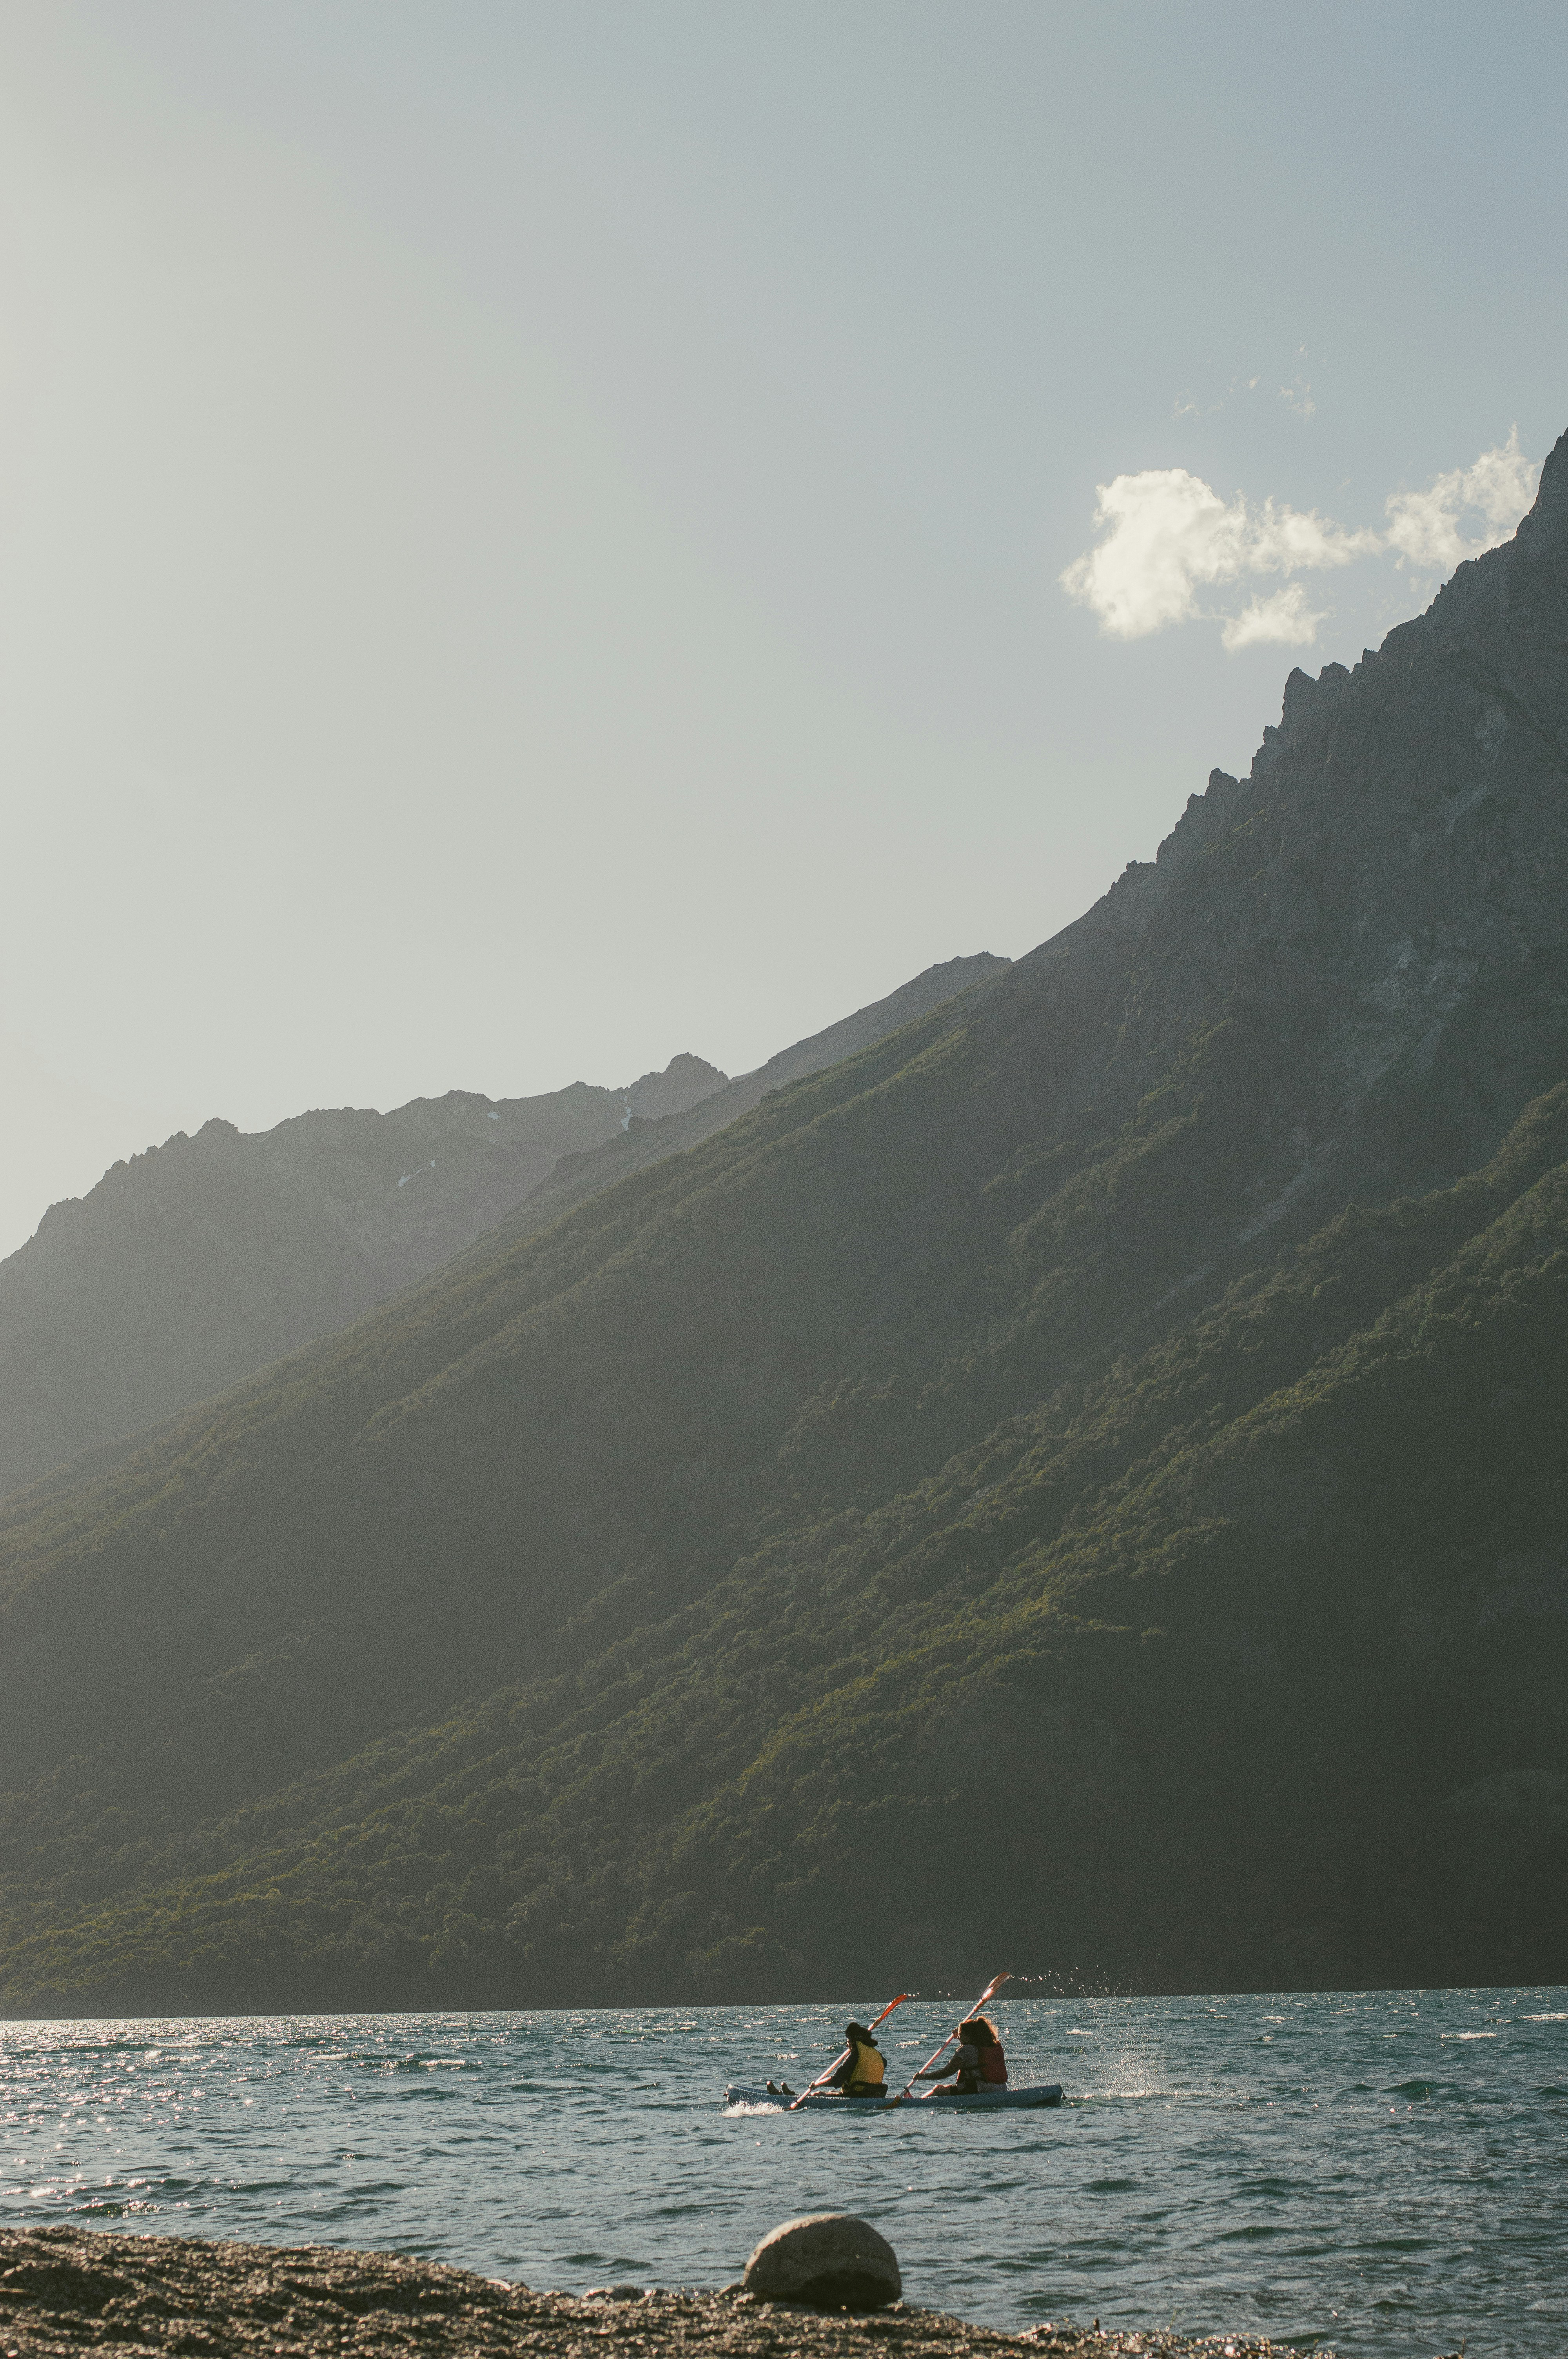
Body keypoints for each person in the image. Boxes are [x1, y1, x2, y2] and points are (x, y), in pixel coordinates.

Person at [916, 2014, 1007, 2095]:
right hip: (1001, 2089)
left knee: (937, 2090)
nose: (958, 2037)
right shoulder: (988, 2045)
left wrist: (923, 2077)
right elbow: (971, 2047)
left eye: (961, 2035)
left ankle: (917, 2104)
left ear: (970, 2036)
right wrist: (961, 2033)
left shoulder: (966, 2050)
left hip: (980, 2090)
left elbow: (947, 2072)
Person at [827, 2019, 887, 2098]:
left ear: (852, 2043)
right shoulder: (879, 2056)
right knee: (831, 2092)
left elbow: (837, 2081)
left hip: (857, 2095)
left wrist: (816, 2085)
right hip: (876, 2094)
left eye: (847, 2043)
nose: (848, 2046)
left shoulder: (855, 2056)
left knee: (817, 2094)